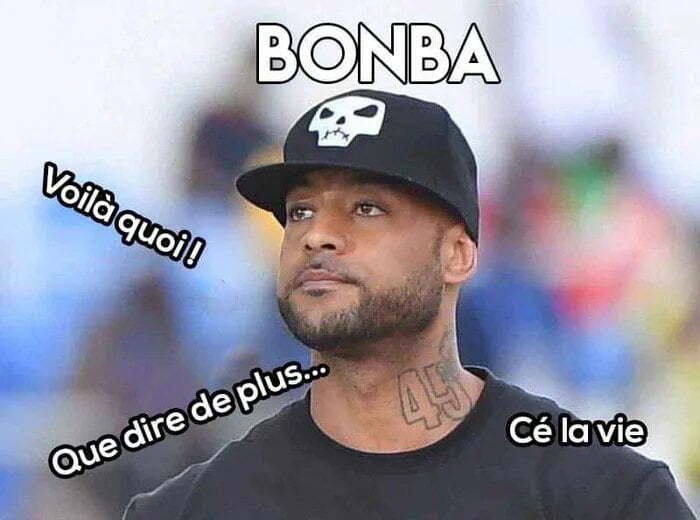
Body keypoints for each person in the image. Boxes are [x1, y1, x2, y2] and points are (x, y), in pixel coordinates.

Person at [123, 90, 695, 519]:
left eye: (366, 208)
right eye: (300, 211)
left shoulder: (605, 497)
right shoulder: (190, 510)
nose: (317, 235)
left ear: (457, 255)